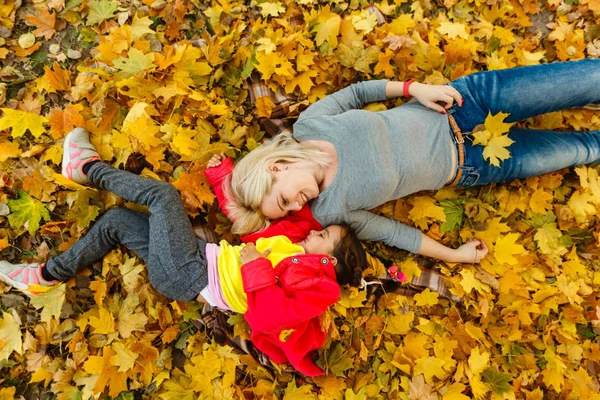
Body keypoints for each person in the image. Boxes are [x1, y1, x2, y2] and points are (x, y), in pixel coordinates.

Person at [0, 128, 368, 376]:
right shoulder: (292, 240)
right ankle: (45, 277)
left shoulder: (320, 287)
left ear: (329, 258)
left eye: (322, 234)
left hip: (189, 272)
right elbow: (259, 215)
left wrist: (256, 268)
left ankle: (88, 169)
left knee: (163, 197)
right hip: (194, 257)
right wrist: (223, 176)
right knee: (116, 221)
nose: (313, 229)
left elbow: (271, 318)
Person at [225, 59, 600, 264]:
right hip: (474, 163)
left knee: (590, 77)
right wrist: (453, 255)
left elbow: (357, 93)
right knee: (585, 149)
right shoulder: (330, 211)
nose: (297, 206)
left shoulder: (311, 124)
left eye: (284, 200)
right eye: (289, 211)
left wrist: (413, 89)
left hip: (465, 101)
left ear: (276, 168)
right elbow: (392, 233)